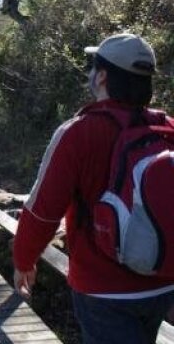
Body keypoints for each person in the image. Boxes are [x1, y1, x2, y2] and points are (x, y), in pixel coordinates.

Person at [12, 33, 174, 343]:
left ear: (101, 77)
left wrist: (24, 259)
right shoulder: (167, 128)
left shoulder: (78, 133)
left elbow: (43, 211)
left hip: (103, 289)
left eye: (92, 69)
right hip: (164, 280)